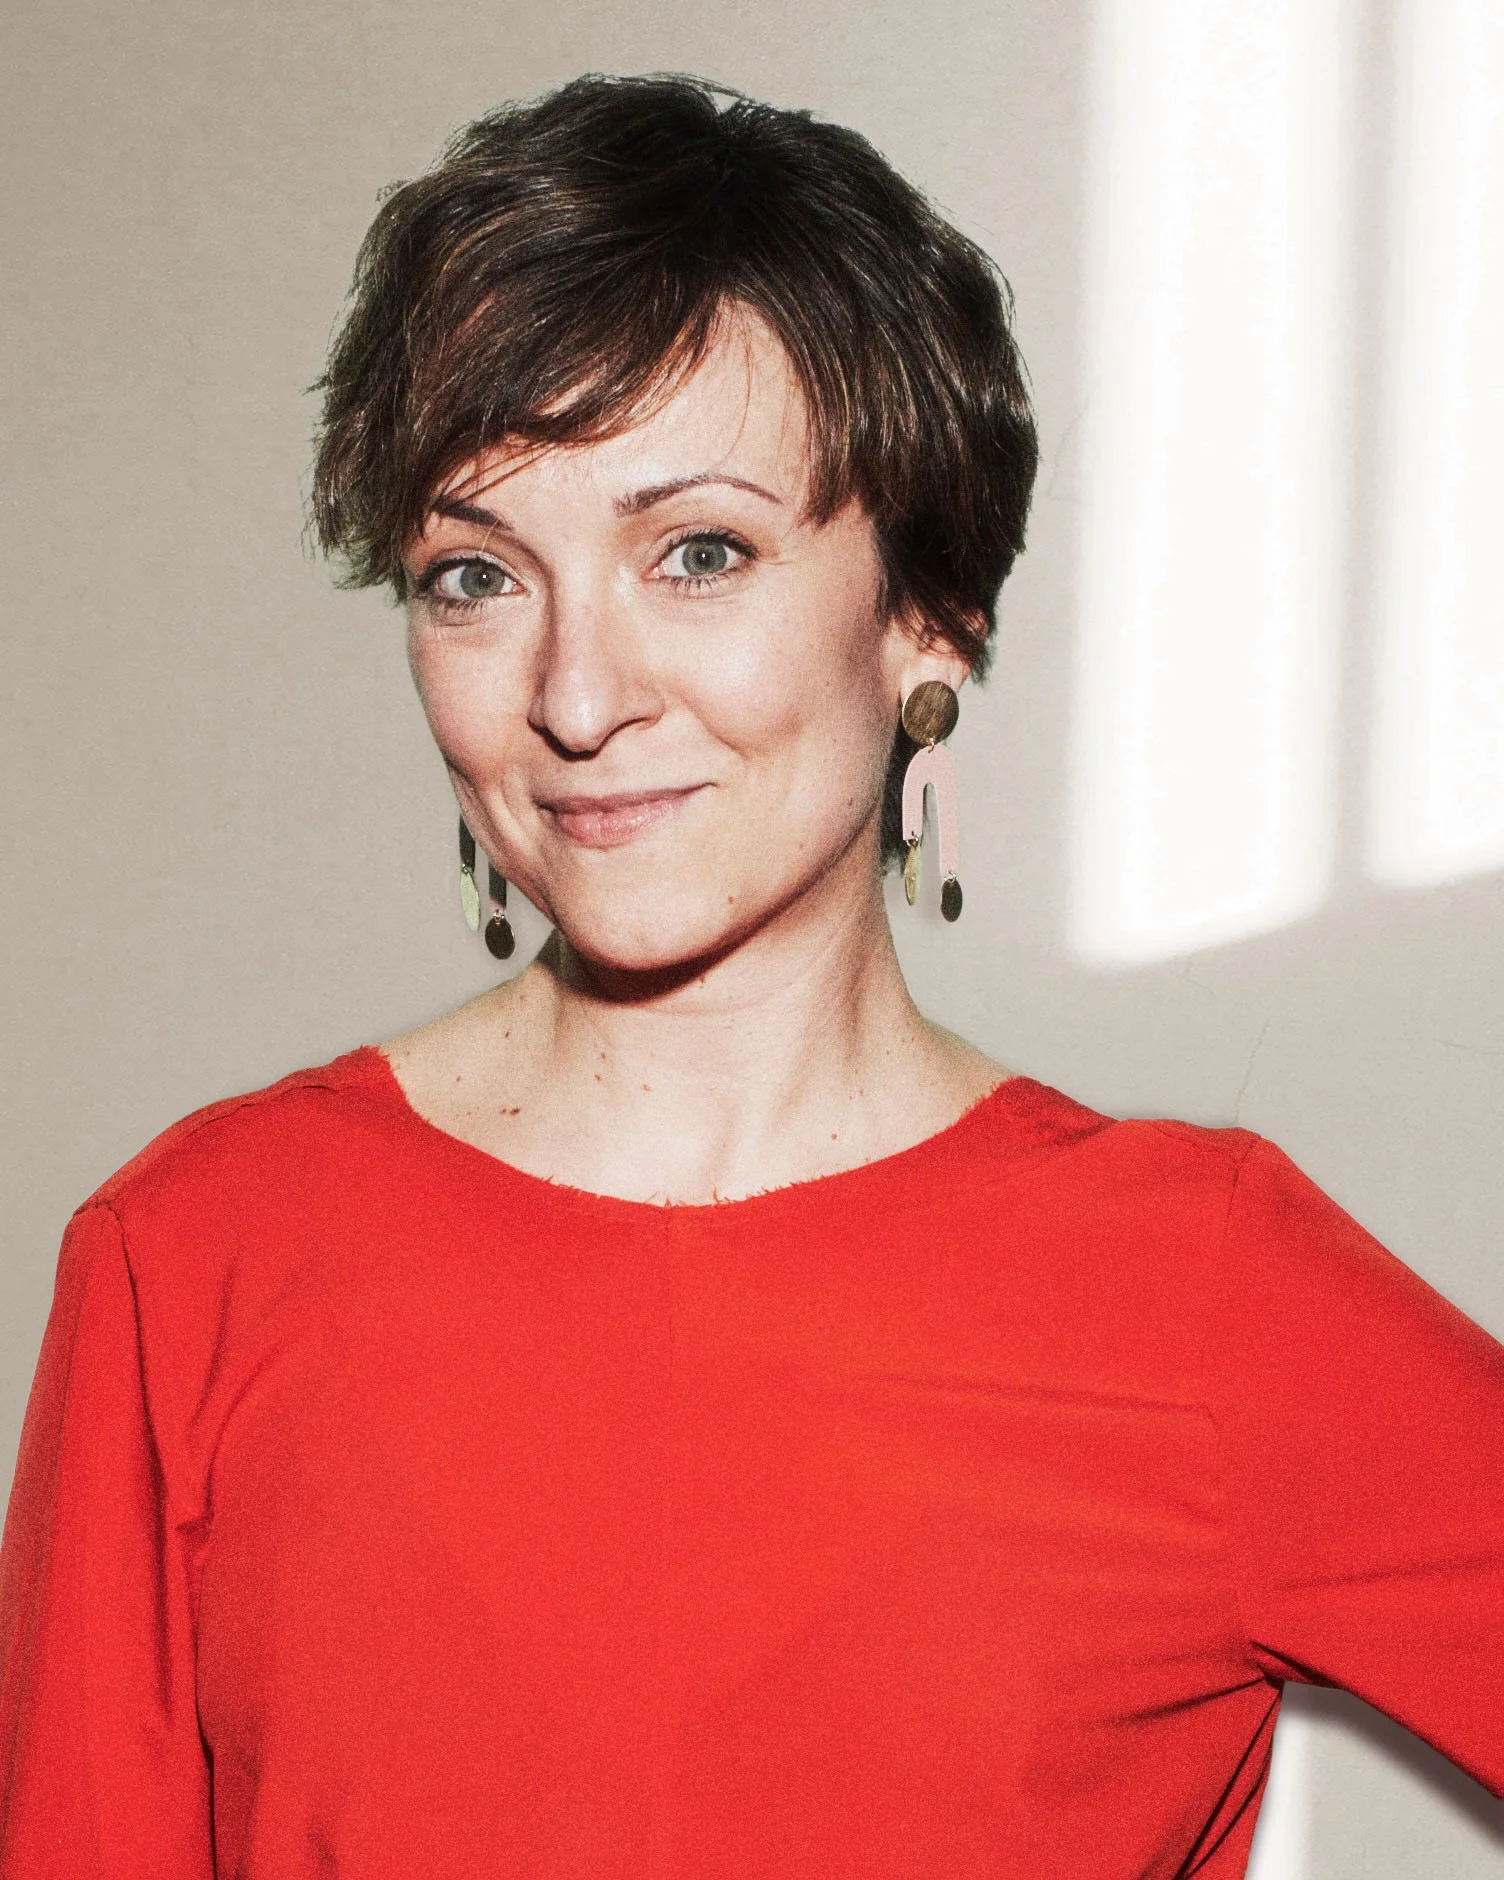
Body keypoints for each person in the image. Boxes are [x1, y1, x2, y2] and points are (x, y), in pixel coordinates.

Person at [1, 72, 1500, 1880]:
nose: (572, 695)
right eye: (476, 575)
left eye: (696, 552)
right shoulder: (197, 1255)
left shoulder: (1201, 1291)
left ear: (924, 614)